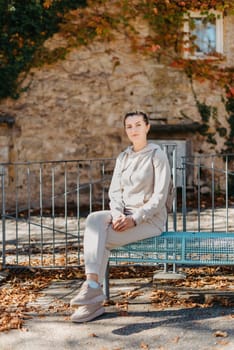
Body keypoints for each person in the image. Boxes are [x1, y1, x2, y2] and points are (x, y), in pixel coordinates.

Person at [70, 111, 171, 323]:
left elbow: (160, 196)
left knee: (100, 239)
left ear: (147, 127)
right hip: (122, 216)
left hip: (149, 220)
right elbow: (114, 192)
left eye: (138, 125)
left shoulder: (157, 155)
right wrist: (116, 214)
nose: (133, 130)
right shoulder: (123, 156)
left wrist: (135, 218)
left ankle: (93, 300)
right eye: (129, 126)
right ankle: (93, 286)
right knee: (94, 220)